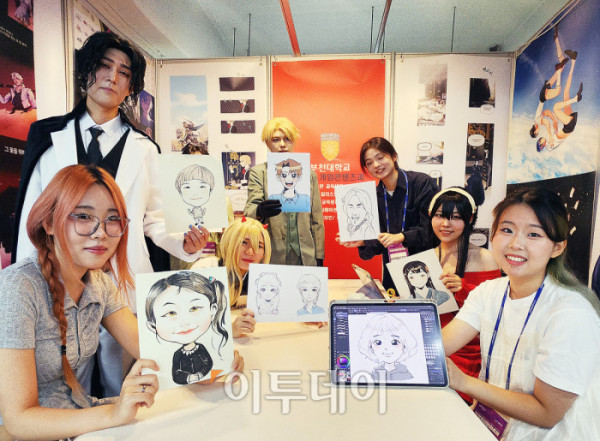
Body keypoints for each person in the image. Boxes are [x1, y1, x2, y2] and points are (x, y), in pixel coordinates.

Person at [12, 31, 208, 397]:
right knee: (64, 384)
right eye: (104, 66)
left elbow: (155, 219)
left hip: (123, 282)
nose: (112, 77)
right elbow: (31, 219)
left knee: (128, 384)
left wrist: (185, 243)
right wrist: (29, 286)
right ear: (87, 71)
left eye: (124, 72)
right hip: (60, 282)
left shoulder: (145, 148)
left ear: (131, 86)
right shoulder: (48, 137)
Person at [0, 165, 159, 439]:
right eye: (84, 216)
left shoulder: (99, 284)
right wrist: (113, 413)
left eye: (112, 219)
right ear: (49, 223)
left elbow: (152, 349)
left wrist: (216, 355)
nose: (101, 232)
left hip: (78, 421)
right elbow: (18, 420)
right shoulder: (19, 287)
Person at [443, 187, 600, 440]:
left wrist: (464, 382)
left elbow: (547, 413)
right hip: (497, 429)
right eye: (507, 230)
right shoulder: (488, 292)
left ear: (557, 247)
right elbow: (442, 344)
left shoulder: (571, 312)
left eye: (534, 234)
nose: (516, 244)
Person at [338, 137, 438, 291]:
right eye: (369, 163)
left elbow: (432, 231)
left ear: (393, 156)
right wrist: (363, 241)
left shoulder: (421, 183)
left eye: (380, 158)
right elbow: (379, 243)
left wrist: (402, 236)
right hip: (393, 273)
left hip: (425, 270)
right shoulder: (373, 197)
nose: (376, 165)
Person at [428, 187, 500, 400]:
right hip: (435, 347)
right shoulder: (427, 259)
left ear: (469, 219)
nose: (446, 224)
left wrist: (465, 290)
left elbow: (495, 311)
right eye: (440, 215)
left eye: (455, 217)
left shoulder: (485, 258)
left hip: (471, 355)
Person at [244, 117, 325, 266]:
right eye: (275, 140)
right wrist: (259, 211)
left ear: (293, 141)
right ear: (267, 143)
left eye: (287, 139)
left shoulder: (308, 174)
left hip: (305, 256)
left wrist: (319, 255)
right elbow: (249, 212)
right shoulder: (259, 173)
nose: (282, 144)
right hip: (271, 254)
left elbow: (317, 219)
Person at [145, 271, 230, 385]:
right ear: (153, 326)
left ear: (213, 310)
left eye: (194, 308)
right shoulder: (177, 355)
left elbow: (208, 364)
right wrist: (188, 378)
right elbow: (176, 375)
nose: (184, 322)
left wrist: (201, 375)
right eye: (171, 313)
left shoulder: (201, 349)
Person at [218, 217, 272, 337]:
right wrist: (230, 330)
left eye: (259, 246)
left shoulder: (267, 280)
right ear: (229, 242)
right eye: (244, 243)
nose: (250, 252)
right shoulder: (207, 269)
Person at [357, 313, 418, 381]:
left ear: (405, 345)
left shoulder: (405, 375)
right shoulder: (374, 374)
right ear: (370, 347)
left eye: (395, 342)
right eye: (378, 342)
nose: (387, 348)